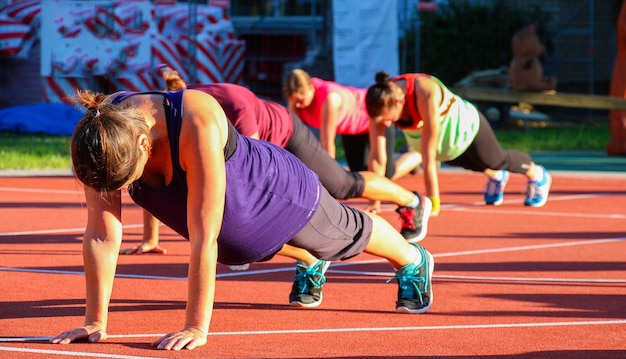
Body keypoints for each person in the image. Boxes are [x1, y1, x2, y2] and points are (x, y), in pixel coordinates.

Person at [51, 87, 434, 351]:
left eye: (127, 180)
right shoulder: (98, 137)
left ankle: (413, 259)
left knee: (341, 233)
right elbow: (102, 234)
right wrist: (94, 321)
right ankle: (309, 262)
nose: (122, 193)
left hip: (276, 188)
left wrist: (195, 326)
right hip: (234, 208)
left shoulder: (194, 120)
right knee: (236, 248)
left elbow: (204, 236)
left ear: (143, 144)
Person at [122, 67, 431, 261]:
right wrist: (151, 238)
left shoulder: (224, 108)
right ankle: (310, 259)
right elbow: (158, 180)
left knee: (342, 185)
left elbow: (252, 165)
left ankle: (412, 200)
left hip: (285, 136)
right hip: (260, 152)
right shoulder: (167, 119)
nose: (298, 103)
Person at [365, 71, 552, 214]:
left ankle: (537, 173)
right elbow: (377, 157)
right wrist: (375, 201)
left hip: (466, 126)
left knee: (494, 160)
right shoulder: (379, 104)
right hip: (446, 144)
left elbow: (429, 158)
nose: (387, 125)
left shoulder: (425, 92)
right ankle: (497, 177)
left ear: (399, 102)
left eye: (389, 120)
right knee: (462, 161)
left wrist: (433, 203)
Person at [283, 69, 422, 212]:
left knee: (386, 174)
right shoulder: (295, 102)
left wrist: (327, 185)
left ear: (311, 88)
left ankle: (417, 155)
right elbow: (294, 139)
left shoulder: (330, 98)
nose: (299, 105)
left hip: (373, 119)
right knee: (361, 175)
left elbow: (327, 142)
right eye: (294, 101)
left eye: (301, 100)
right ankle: (402, 157)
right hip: (350, 131)